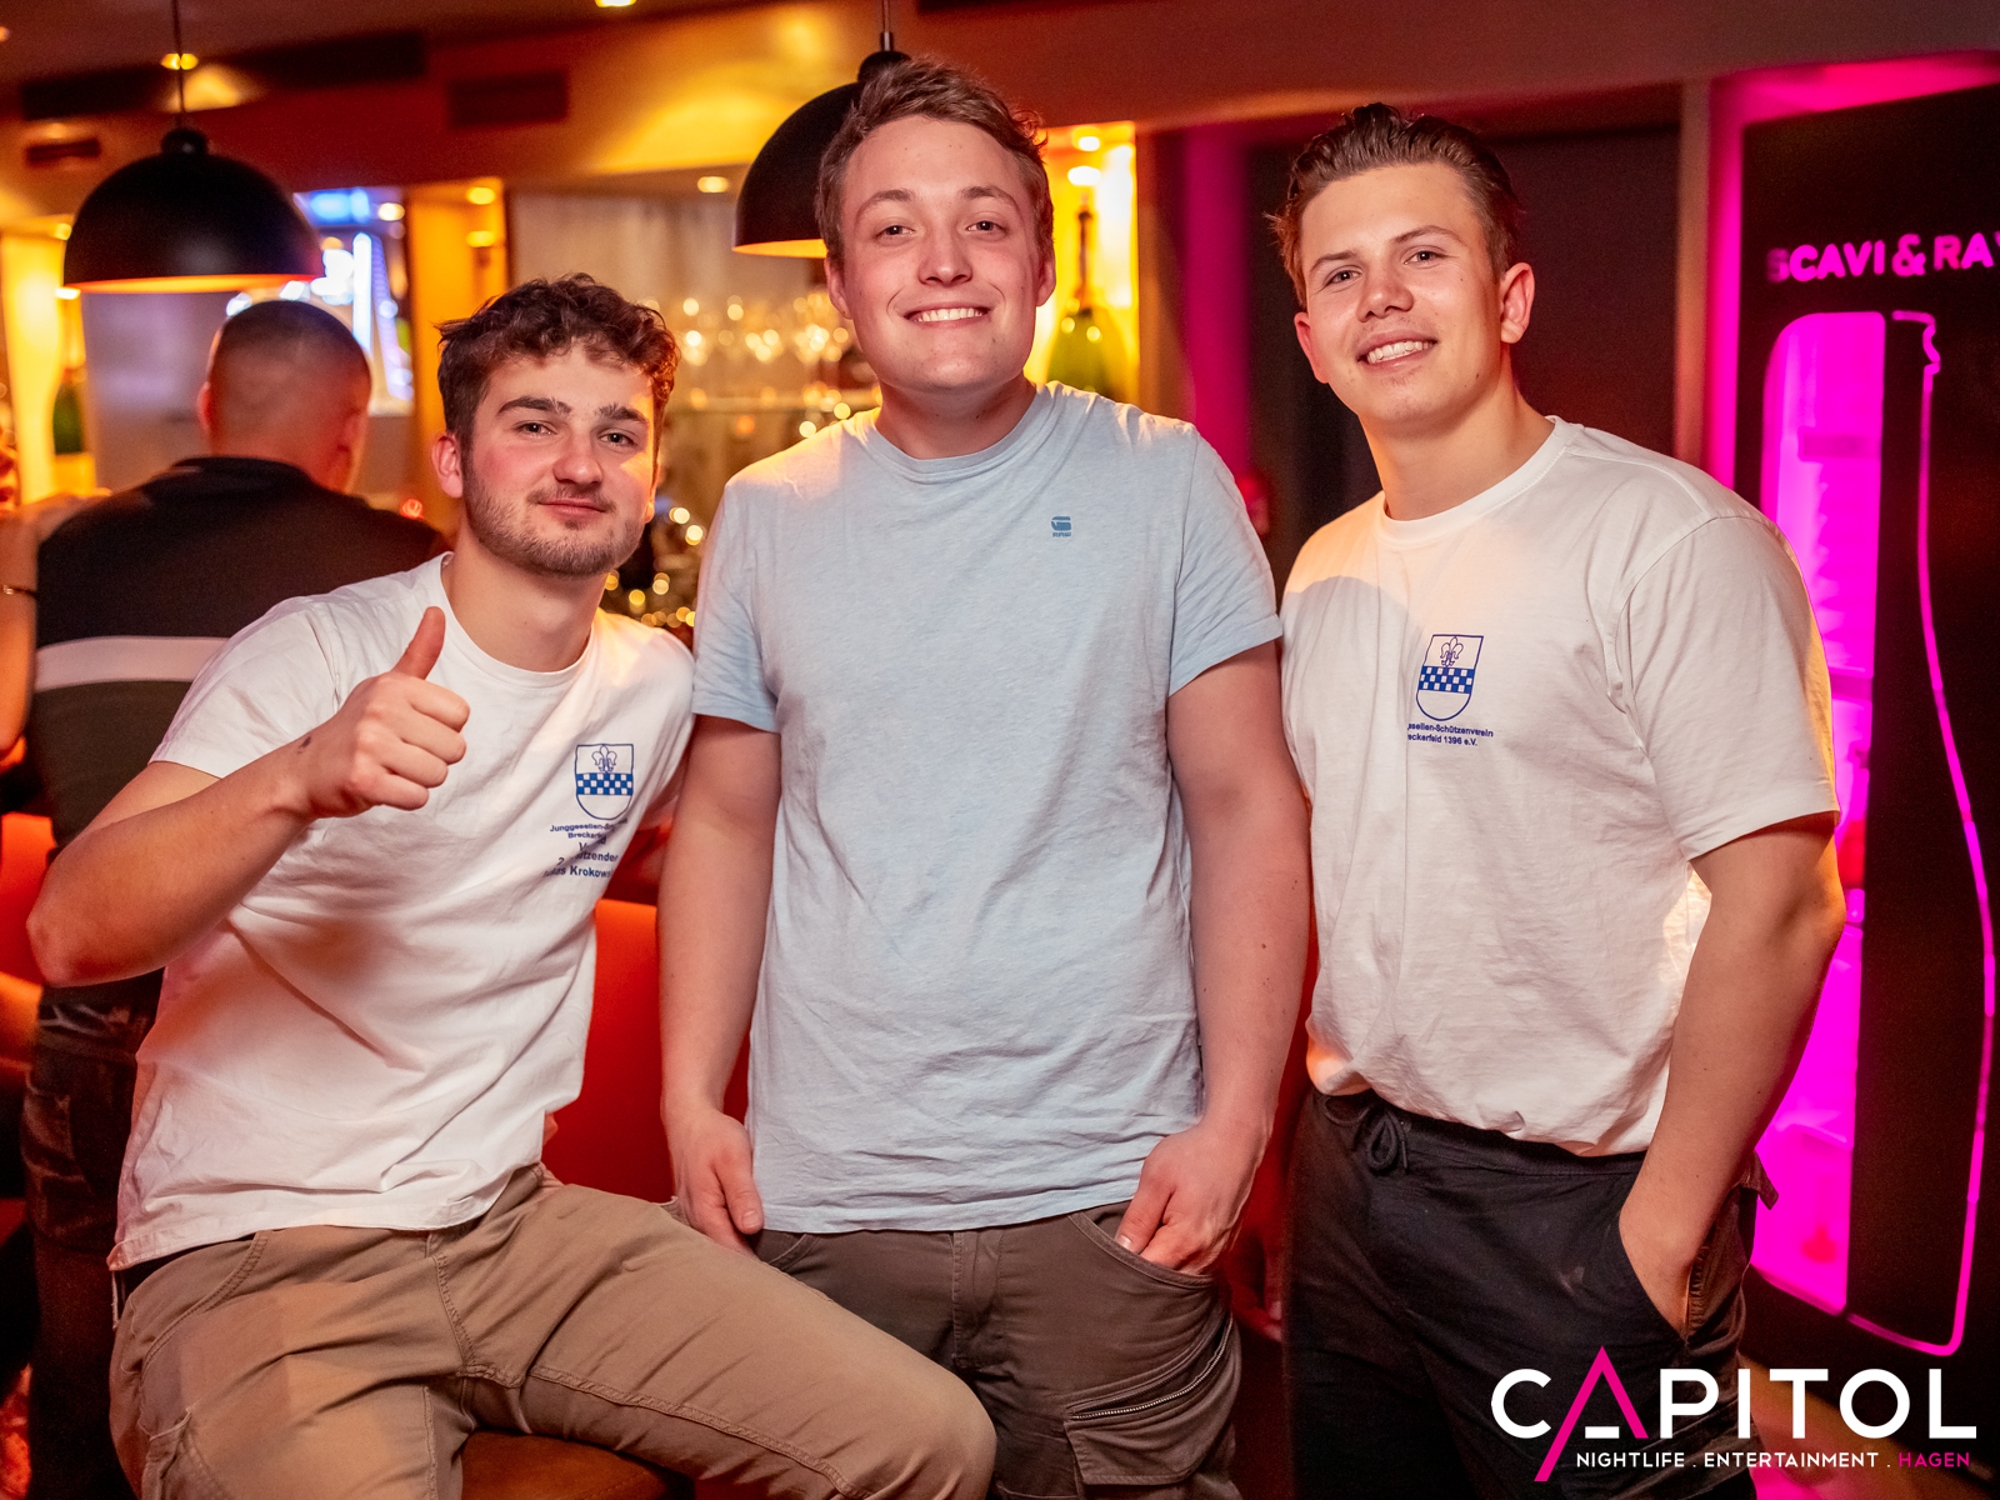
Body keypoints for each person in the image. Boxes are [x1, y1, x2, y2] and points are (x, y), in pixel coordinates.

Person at [28, 274, 991, 1500]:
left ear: (651, 473)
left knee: (928, 1443)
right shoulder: (319, 651)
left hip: (513, 1227)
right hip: (263, 1247)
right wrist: (297, 778)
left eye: (617, 433)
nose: (579, 462)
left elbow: (710, 844)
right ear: (452, 460)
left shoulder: (652, 685)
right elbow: (71, 931)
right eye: (534, 423)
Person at [660, 60, 1310, 1500]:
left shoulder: (1168, 480)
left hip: (1111, 1198)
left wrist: (1237, 1126)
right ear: (839, 283)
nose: (942, 261)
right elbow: (726, 820)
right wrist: (690, 1101)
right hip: (824, 1202)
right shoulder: (765, 515)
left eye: (983, 222)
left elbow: (1246, 808)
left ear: (1043, 258)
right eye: (893, 228)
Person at [1270, 105, 1846, 1498]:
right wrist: (1300, 1170)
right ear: (1310, 338)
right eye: (1341, 273)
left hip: (1577, 1210)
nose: (1381, 297)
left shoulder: (1669, 540)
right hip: (1353, 1169)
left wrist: (1659, 1235)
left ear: (1510, 296)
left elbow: (1782, 907)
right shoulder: (1323, 570)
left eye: (1423, 255)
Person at [8, 298, 437, 1500]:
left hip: (94, 1019)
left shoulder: (64, 552)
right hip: (291, 1037)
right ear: (348, 429)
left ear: (207, 407)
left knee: (77, 1373)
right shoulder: (403, 569)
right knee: (267, 1396)